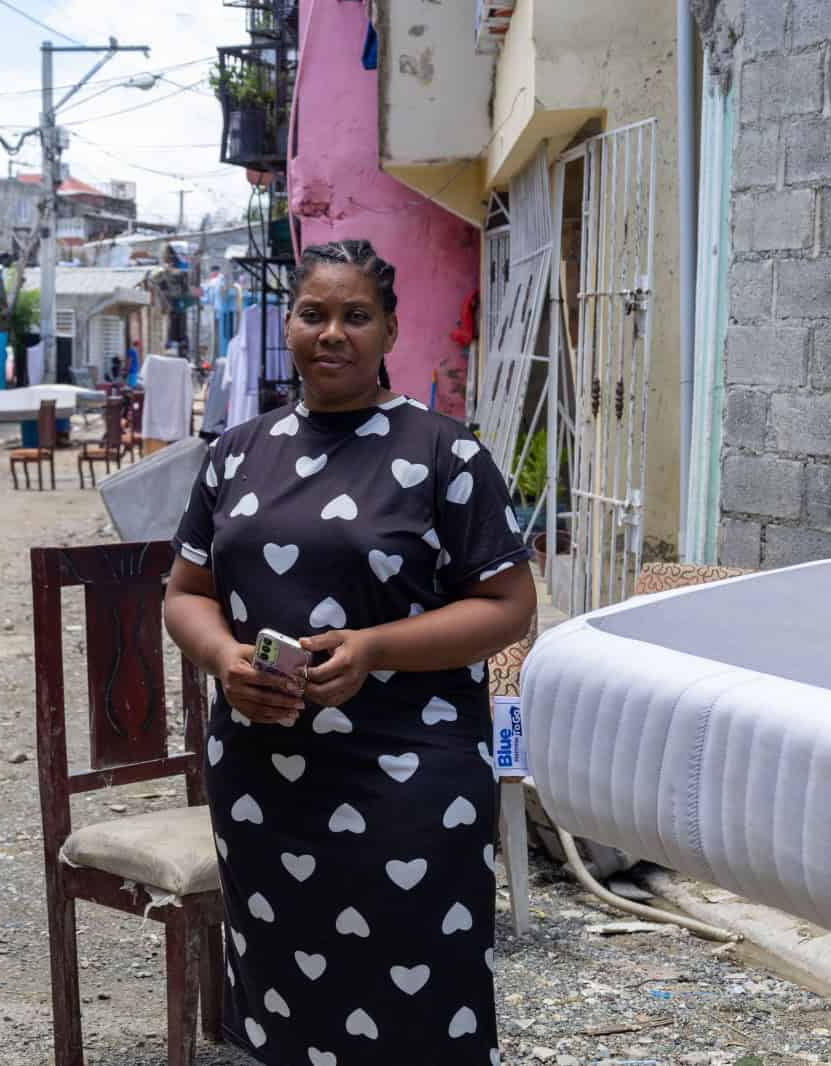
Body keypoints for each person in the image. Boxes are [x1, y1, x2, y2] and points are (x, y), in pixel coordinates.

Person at [164, 238, 536, 1065]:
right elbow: (186, 595)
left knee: (419, 985)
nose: (332, 333)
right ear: (288, 325)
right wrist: (224, 658)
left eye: (355, 316)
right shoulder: (235, 454)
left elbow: (509, 607)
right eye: (313, 314)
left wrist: (374, 648)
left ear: (390, 332)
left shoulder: (447, 456)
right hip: (266, 778)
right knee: (284, 988)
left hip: (411, 774)